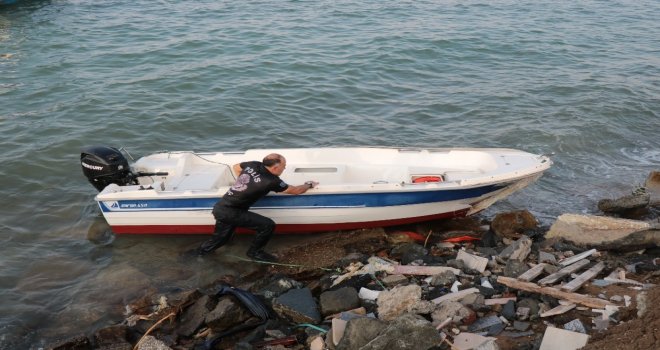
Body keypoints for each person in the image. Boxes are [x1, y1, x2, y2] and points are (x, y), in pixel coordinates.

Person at [193, 153, 317, 262]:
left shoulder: (253, 164)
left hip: (222, 208)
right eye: (284, 166)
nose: (284, 168)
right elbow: (296, 190)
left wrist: (244, 183)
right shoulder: (272, 181)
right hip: (231, 212)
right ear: (275, 167)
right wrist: (309, 184)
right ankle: (254, 252)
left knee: (221, 239)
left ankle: (196, 255)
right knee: (267, 226)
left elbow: (236, 167)